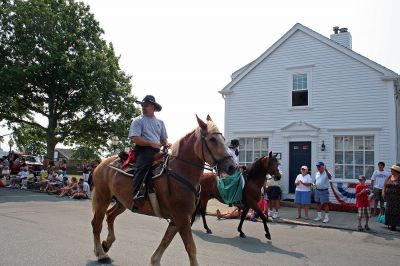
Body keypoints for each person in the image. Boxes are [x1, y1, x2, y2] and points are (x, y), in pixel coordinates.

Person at [128, 95, 169, 206]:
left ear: (153, 107)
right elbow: (135, 138)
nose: (143, 107)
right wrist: (150, 143)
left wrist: (168, 145)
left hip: (157, 150)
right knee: (142, 167)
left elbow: (163, 139)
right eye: (142, 105)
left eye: (146, 105)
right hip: (143, 150)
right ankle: (136, 194)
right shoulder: (137, 121)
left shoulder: (160, 122)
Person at [383, 164, 400, 231]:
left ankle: (396, 225)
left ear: (396, 171)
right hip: (389, 198)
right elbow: (384, 186)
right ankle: (391, 225)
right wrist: (383, 193)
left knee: (397, 211)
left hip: (397, 198)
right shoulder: (389, 177)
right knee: (389, 211)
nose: (391, 171)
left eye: (392, 170)